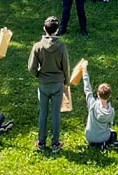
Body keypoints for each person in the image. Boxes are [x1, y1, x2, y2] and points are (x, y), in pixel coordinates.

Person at [28, 16, 70, 153]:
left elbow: (31, 67)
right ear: (57, 30)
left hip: (43, 84)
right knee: (56, 113)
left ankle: (41, 142)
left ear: (44, 29)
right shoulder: (61, 47)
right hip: (57, 84)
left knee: (43, 113)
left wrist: (38, 75)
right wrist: (66, 82)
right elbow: (66, 67)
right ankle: (55, 143)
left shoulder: (37, 46)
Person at [82, 62, 118, 149]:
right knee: (113, 133)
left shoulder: (92, 105)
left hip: (89, 136)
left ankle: (95, 143)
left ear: (98, 94)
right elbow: (110, 125)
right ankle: (106, 144)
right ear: (109, 96)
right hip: (103, 137)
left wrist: (84, 71)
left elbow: (87, 89)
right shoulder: (111, 111)